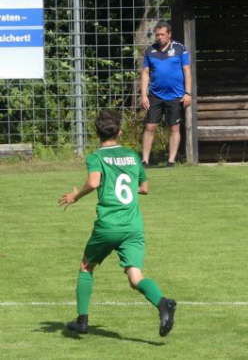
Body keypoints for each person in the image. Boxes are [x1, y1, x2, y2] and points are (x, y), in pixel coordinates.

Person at [58, 110, 177, 336]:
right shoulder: (132, 156)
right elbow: (144, 188)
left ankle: (82, 320)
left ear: (97, 133)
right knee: (135, 277)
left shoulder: (96, 157)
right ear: (120, 131)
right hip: (132, 226)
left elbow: (94, 183)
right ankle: (163, 302)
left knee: (86, 266)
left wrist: (75, 196)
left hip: (108, 225)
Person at [141, 21, 192, 167]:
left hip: (176, 95)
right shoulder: (150, 50)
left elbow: (187, 71)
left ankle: (171, 160)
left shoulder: (180, 49)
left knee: (174, 128)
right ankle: (145, 160)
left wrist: (188, 93)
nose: (159, 37)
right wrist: (144, 95)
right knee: (150, 127)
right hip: (155, 95)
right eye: (157, 35)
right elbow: (145, 73)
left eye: (162, 34)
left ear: (169, 34)